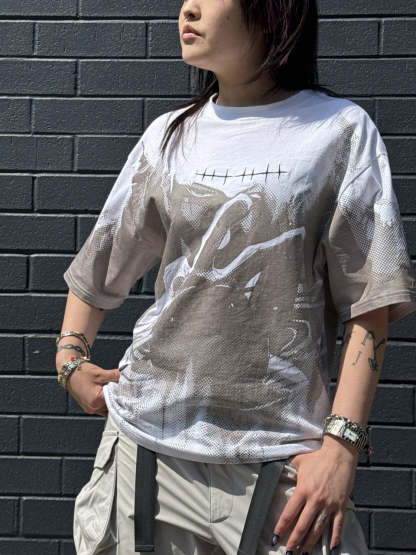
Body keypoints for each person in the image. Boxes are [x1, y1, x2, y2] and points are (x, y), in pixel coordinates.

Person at [55, 1, 416, 554]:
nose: (188, 8)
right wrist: (70, 358)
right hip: (143, 451)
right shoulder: (169, 136)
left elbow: (370, 300)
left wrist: (341, 448)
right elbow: (102, 260)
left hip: (279, 462)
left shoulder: (338, 131)